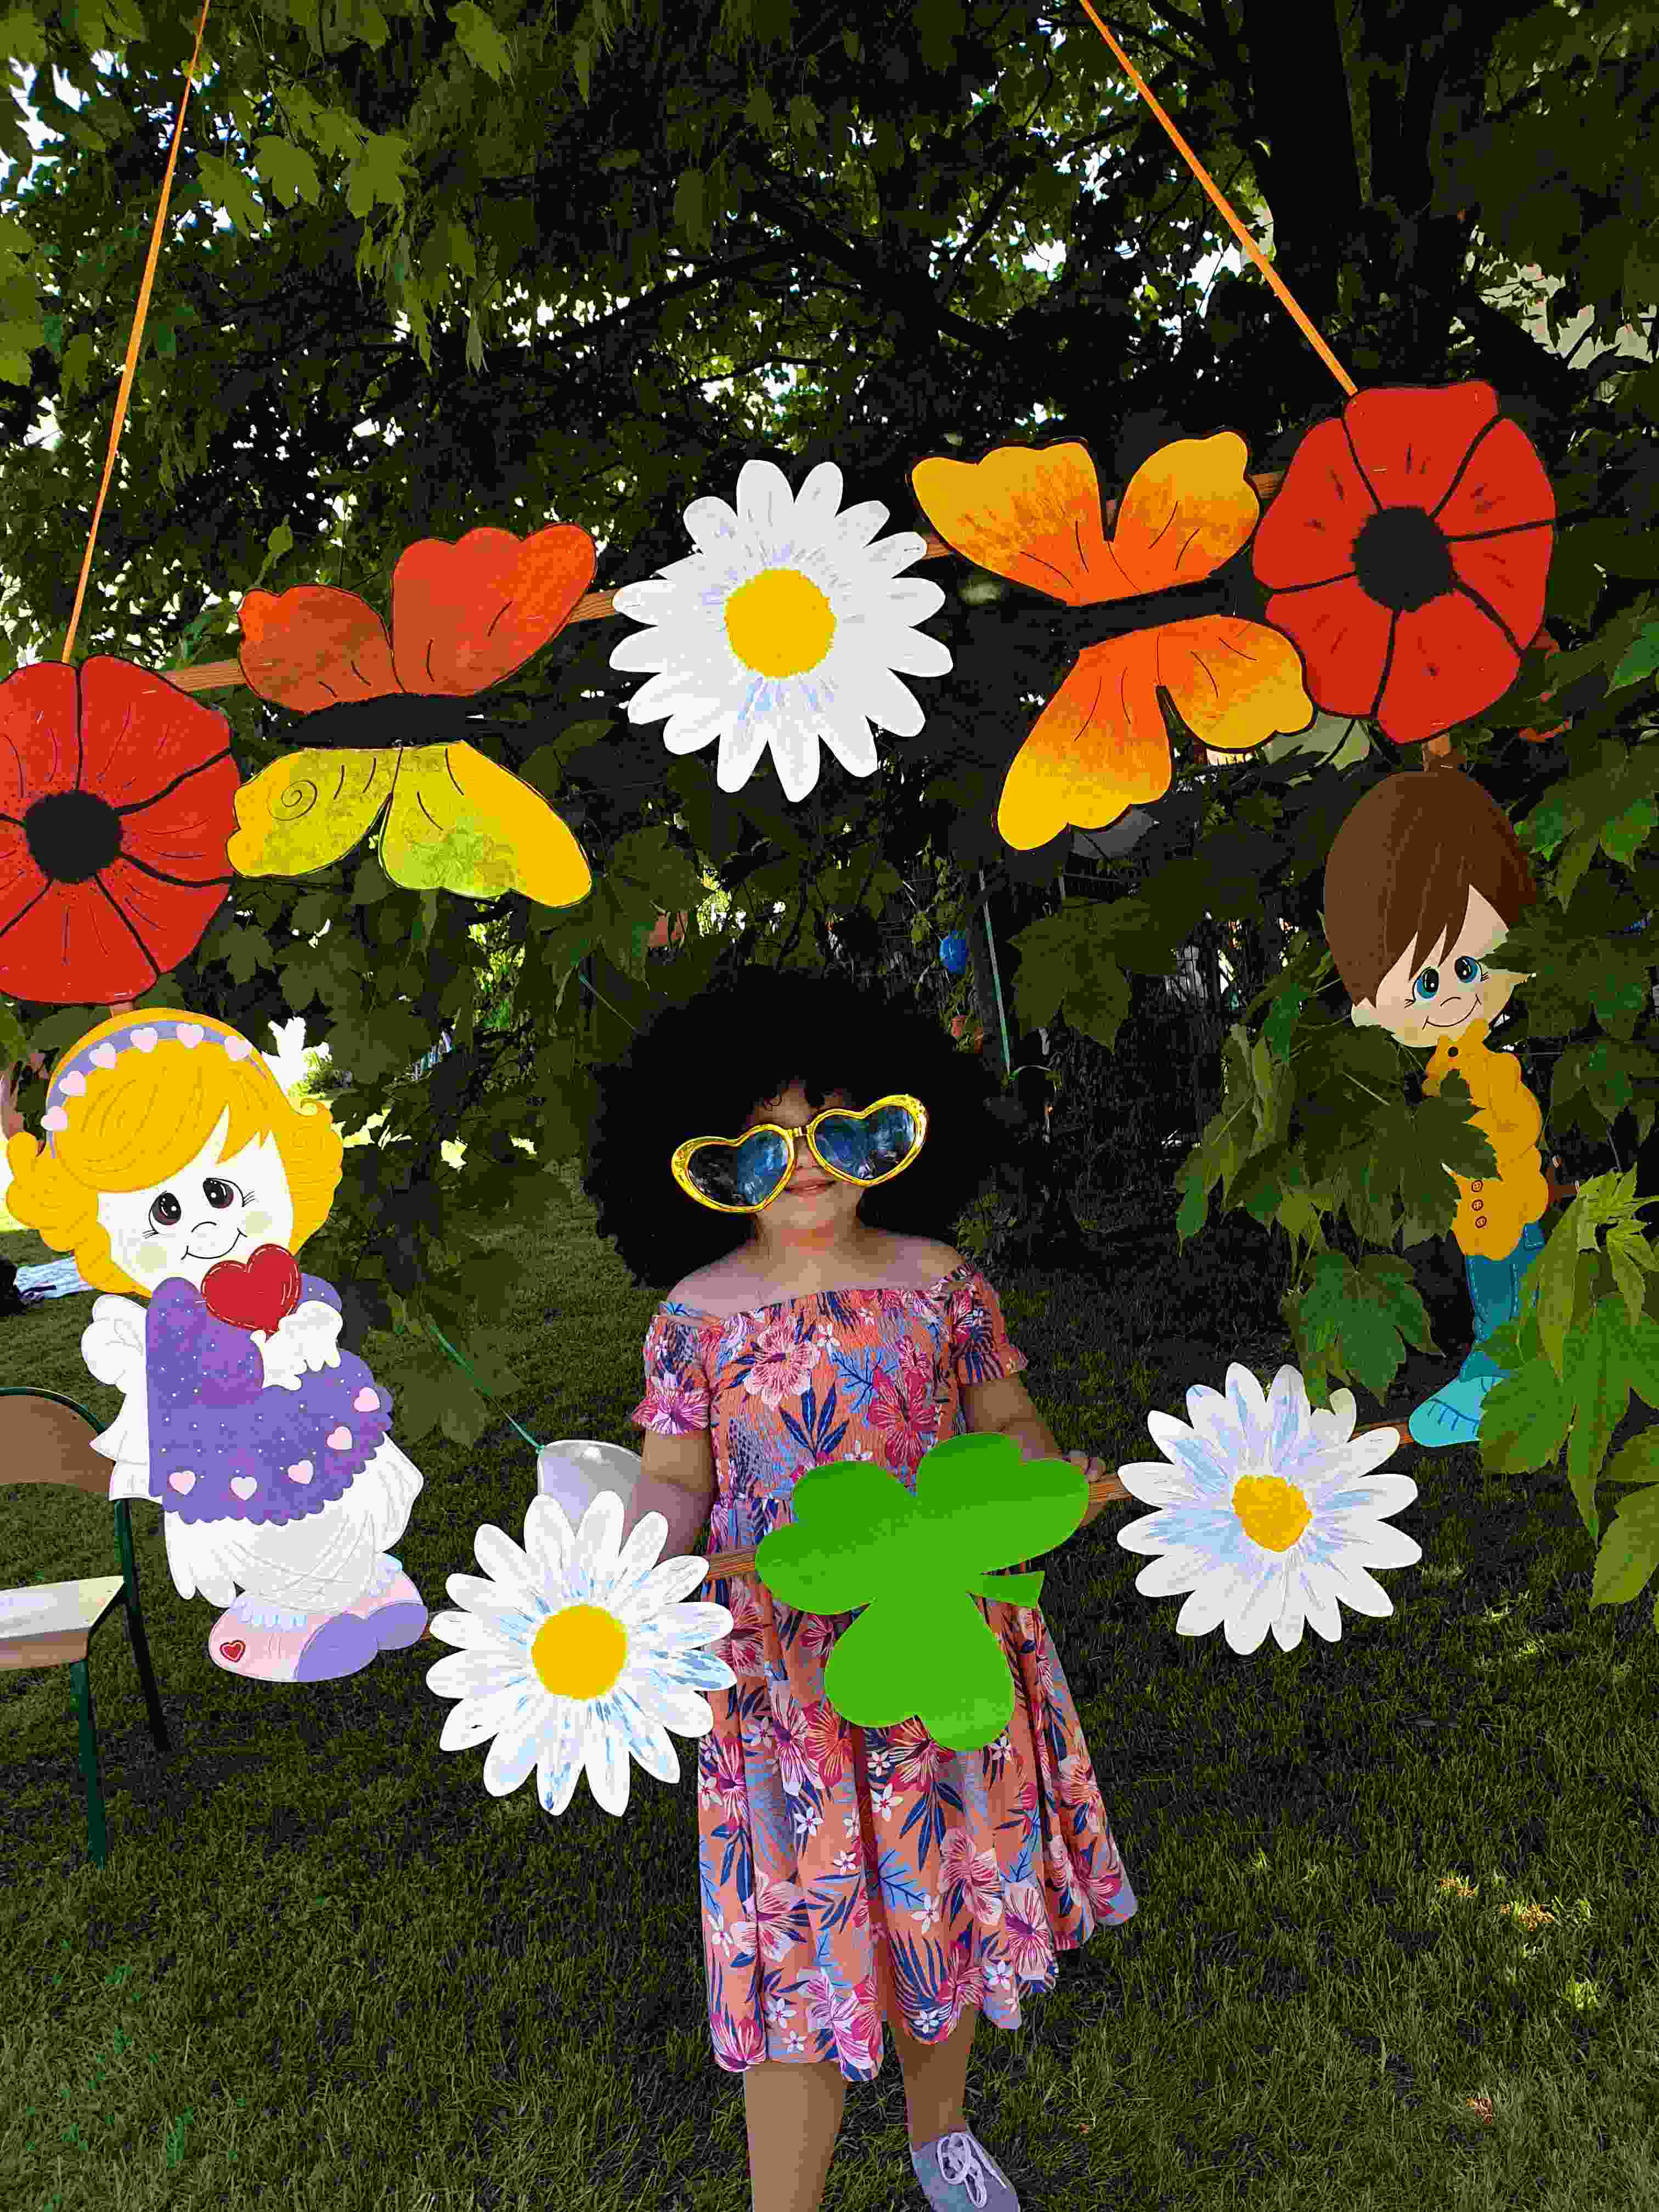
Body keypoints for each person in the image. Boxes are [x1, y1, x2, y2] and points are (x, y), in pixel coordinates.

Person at [566, 964, 1135, 2212]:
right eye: (759, 1146)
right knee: (792, 1947)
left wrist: (1048, 1484)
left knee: (943, 1900)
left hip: (940, 1650)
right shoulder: (693, 1319)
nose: (805, 1166)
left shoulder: (941, 1283)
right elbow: (674, 1481)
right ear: (703, 1164)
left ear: (900, 1131)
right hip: (783, 1687)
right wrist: (631, 1581)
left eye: (839, 1131)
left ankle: (940, 2133)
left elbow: (1007, 1424)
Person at [5, 1009, 428, 1680]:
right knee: (273, 1527)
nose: (204, 1227)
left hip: (319, 1420)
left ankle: (363, 1583)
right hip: (235, 1456)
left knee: (353, 1494)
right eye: (166, 1210)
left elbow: (312, 1298)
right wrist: (269, 1357)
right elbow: (208, 1371)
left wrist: (314, 1321)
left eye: (221, 1191)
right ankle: (284, 1619)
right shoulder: (175, 1312)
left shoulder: (276, 1271)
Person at [1323, 764, 1562, 1445]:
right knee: (1494, 1289)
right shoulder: (1439, 1074)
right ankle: (1504, 1369)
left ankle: (1511, 1375)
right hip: (1478, 1216)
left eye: (1466, 967)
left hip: (1511, 1205)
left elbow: (1519, 1122)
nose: (1454, 994)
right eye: (1425, 982)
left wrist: (1494, 1155)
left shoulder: (1487, 1065)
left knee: (1519, 1288)